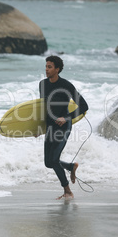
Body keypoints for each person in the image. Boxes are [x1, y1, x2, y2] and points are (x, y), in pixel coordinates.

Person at [38, 55, 89, 200]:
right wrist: (38, 128)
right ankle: (71, 167)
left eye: (50, 67)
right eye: (46, 66)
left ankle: (67, 190)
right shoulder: (42, 84)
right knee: (48, 162)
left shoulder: (66, 85)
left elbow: (84, 105)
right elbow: (43, 108)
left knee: (54, 160)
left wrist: (66, 118)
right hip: (50, 127)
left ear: (57, 69)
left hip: (63, 126)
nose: (46, 69)